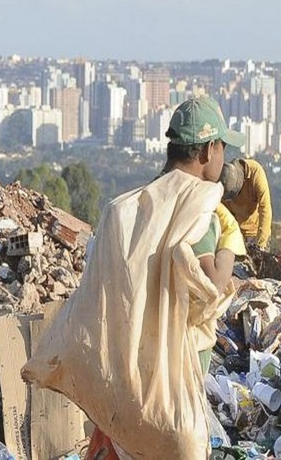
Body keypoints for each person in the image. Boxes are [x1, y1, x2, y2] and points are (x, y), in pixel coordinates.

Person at [22, 95, 246, 460]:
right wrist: (230, 245)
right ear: (208, 151)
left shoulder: (130, 207)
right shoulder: (197, 208)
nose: (224, 157)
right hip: (170, 385)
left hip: (123, 381)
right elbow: (212, 286)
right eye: (223, 147)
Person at [221, 157, 273, 251]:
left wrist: (261, 244)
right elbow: (223, 213)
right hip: (236, 234)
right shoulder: (226, 179)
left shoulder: (255, 172)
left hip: (256, 233)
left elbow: (265, 208)